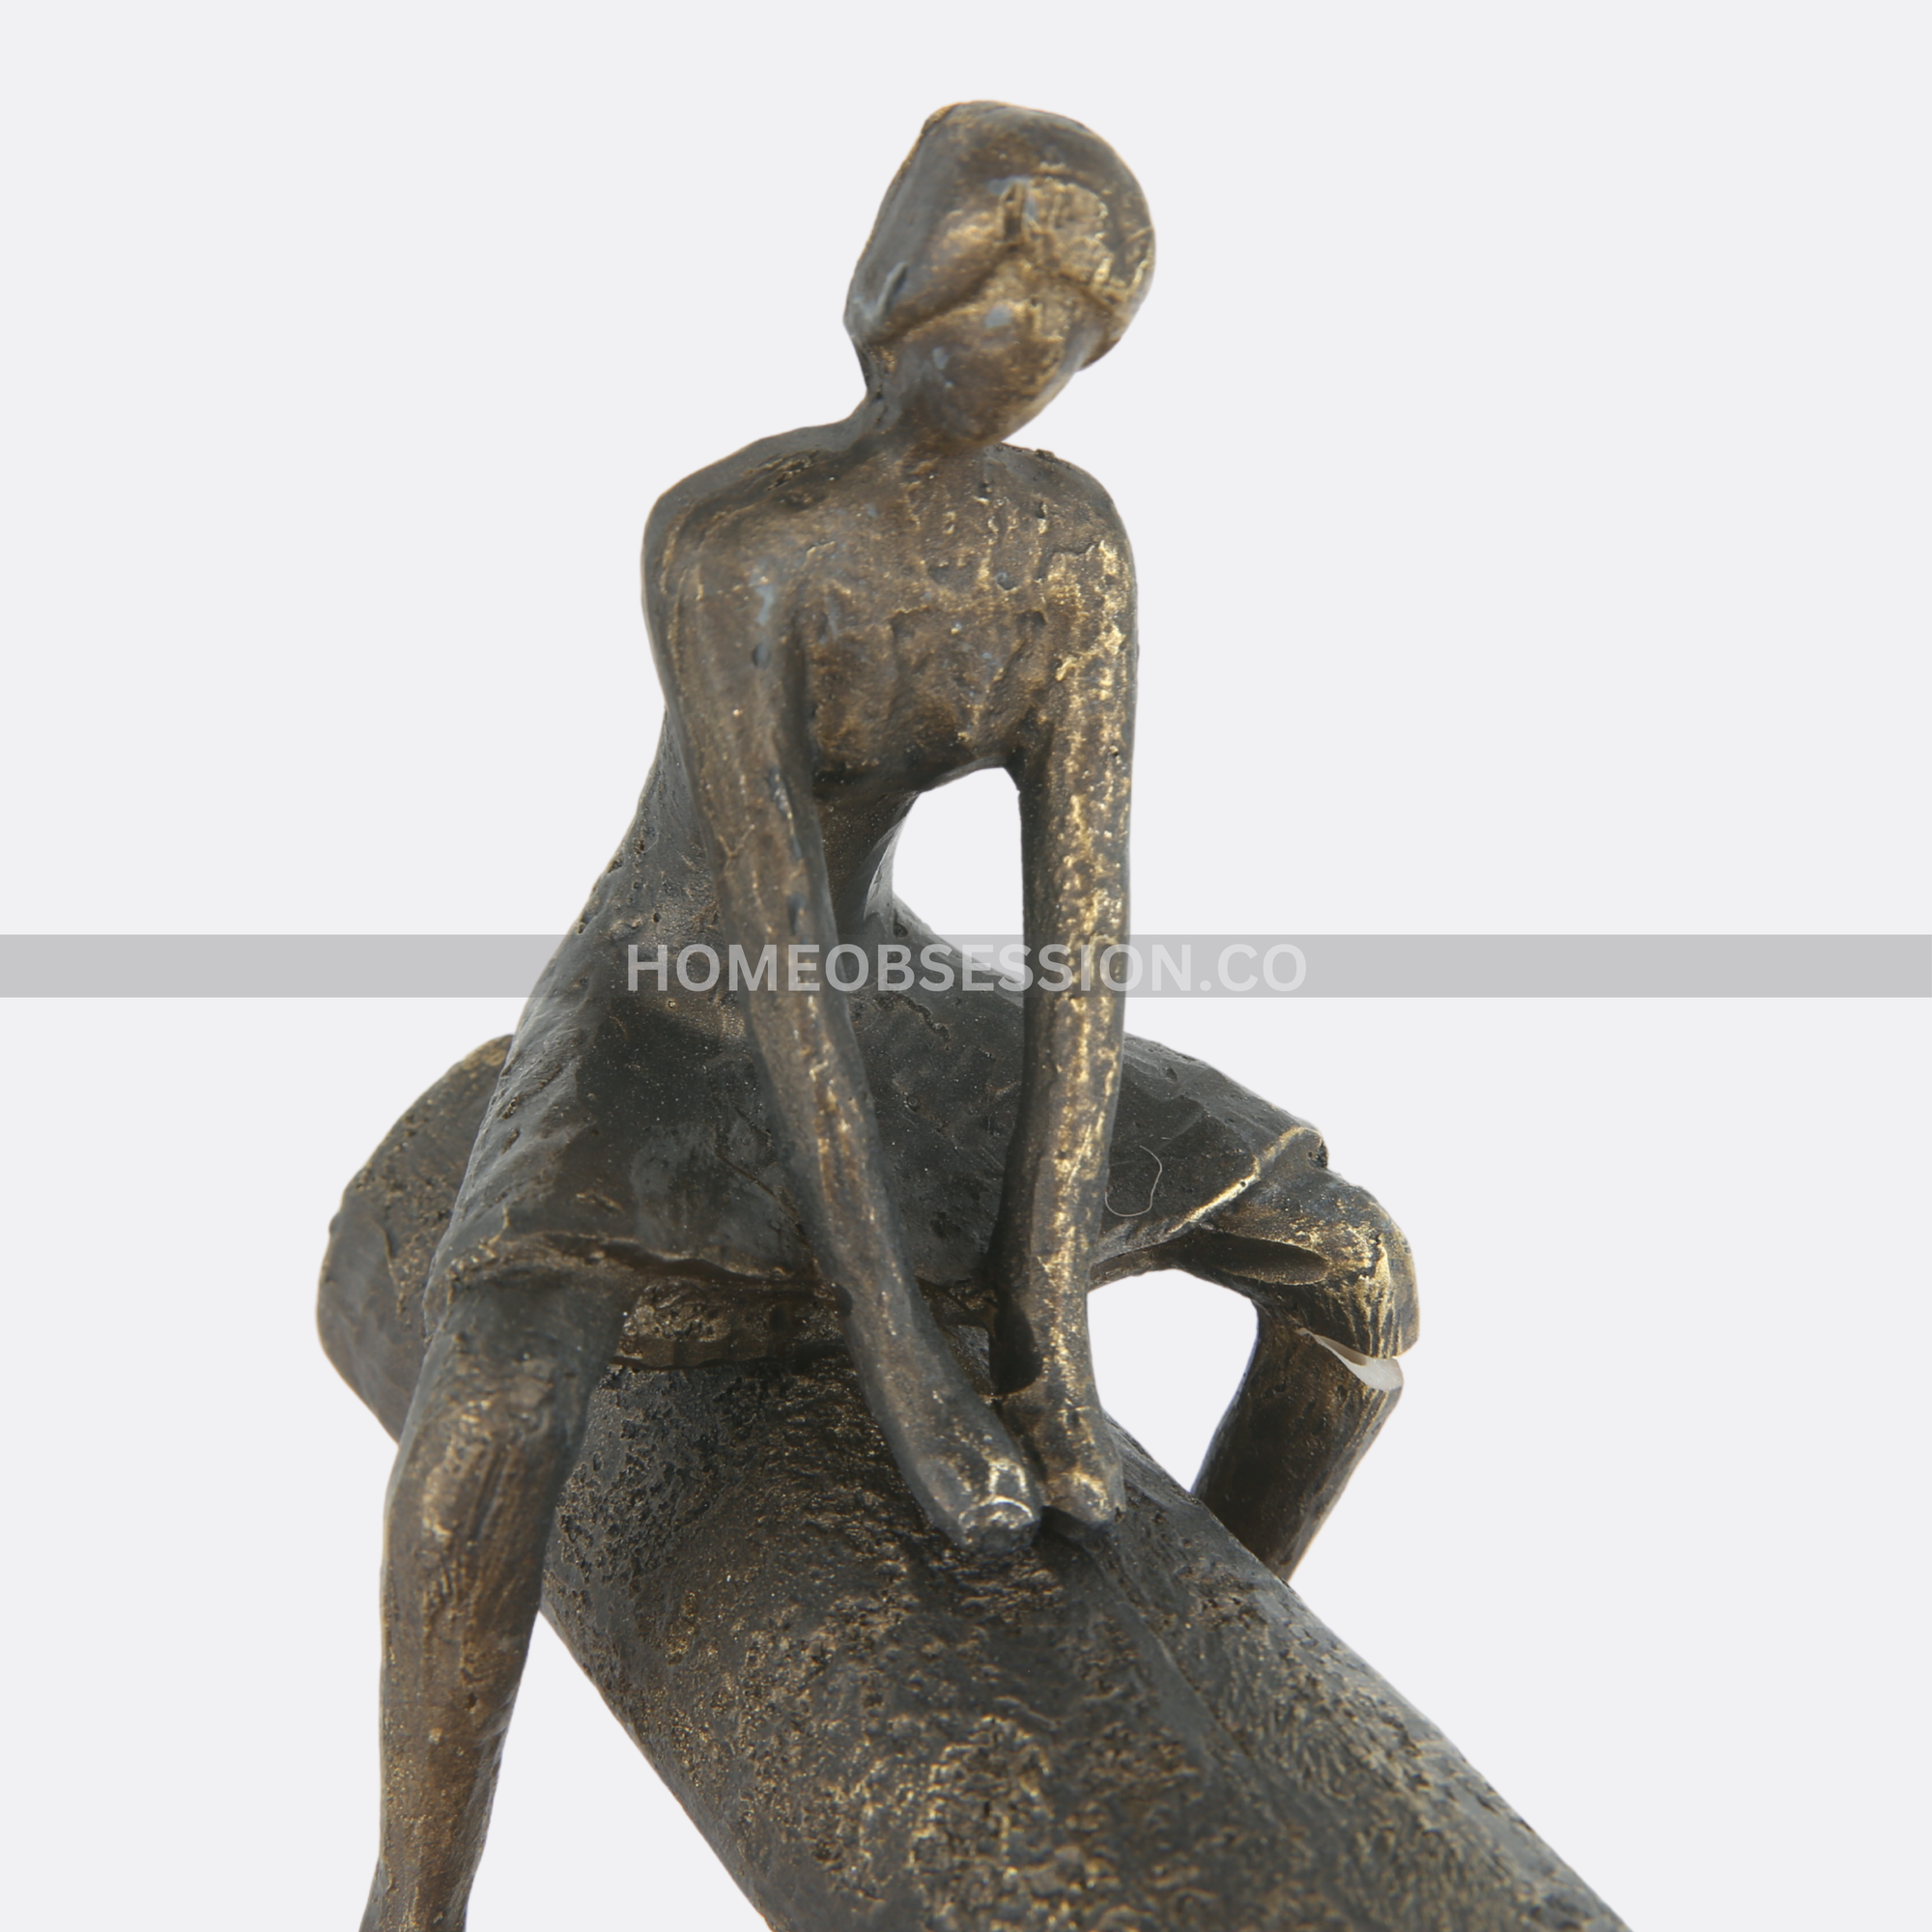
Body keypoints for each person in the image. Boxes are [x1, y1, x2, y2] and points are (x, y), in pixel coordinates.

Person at [334, 103, 1416, 1932]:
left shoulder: (1069, 552)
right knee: (496, 1397)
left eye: (1085, 325)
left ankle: (1200, 1656)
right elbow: (769, 952)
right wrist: (907, 1367)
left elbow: (1084, 943)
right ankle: (410, 1896)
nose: (1045, 353)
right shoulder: (735, 545)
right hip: (677, 1010)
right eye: (1016, 299)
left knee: (1353, 1268)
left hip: (891, 992)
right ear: (903, 294)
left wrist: (1049, 1326)